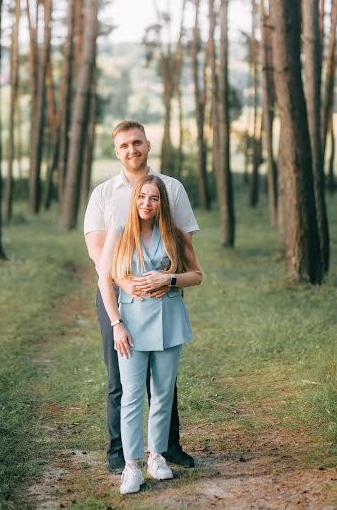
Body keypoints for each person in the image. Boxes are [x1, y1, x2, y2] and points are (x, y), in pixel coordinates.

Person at [84, 120, 199, 473]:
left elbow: (183, 248)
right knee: (121, 380)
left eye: (137, 142)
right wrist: (124, 282)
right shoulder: (104, 194)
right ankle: (120, 452)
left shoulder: (172, 188)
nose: (131, 150)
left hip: (163, 295)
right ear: (116, 151)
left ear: (148, 144)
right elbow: (97, 250)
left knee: (164, 379)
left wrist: (169, 279)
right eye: (123, 146)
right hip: (117, 297)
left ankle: (165, 448)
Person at [98, 175, 202, 494]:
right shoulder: (120, 233)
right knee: (131, 395)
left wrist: (167, 279)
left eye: (154, 198)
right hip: (130, 322)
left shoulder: (175, 236)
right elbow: (106, 280)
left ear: (161, 203)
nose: (147, 203)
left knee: (163, 393)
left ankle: (156, 456)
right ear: (135, 200)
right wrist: (116, 324)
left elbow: (197, 276)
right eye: (142, 197)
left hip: (169, 319)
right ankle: (131, 466)